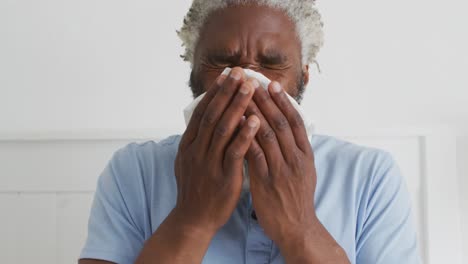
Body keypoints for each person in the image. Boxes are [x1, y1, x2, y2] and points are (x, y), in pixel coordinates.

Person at [79, 1, 420, 263]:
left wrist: (299, 226)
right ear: (194, 74)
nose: (244, 80)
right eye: (222, 61)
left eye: (271, 64)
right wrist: (192, 219)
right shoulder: (134, 172)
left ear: (303, 78)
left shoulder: (370, 177)